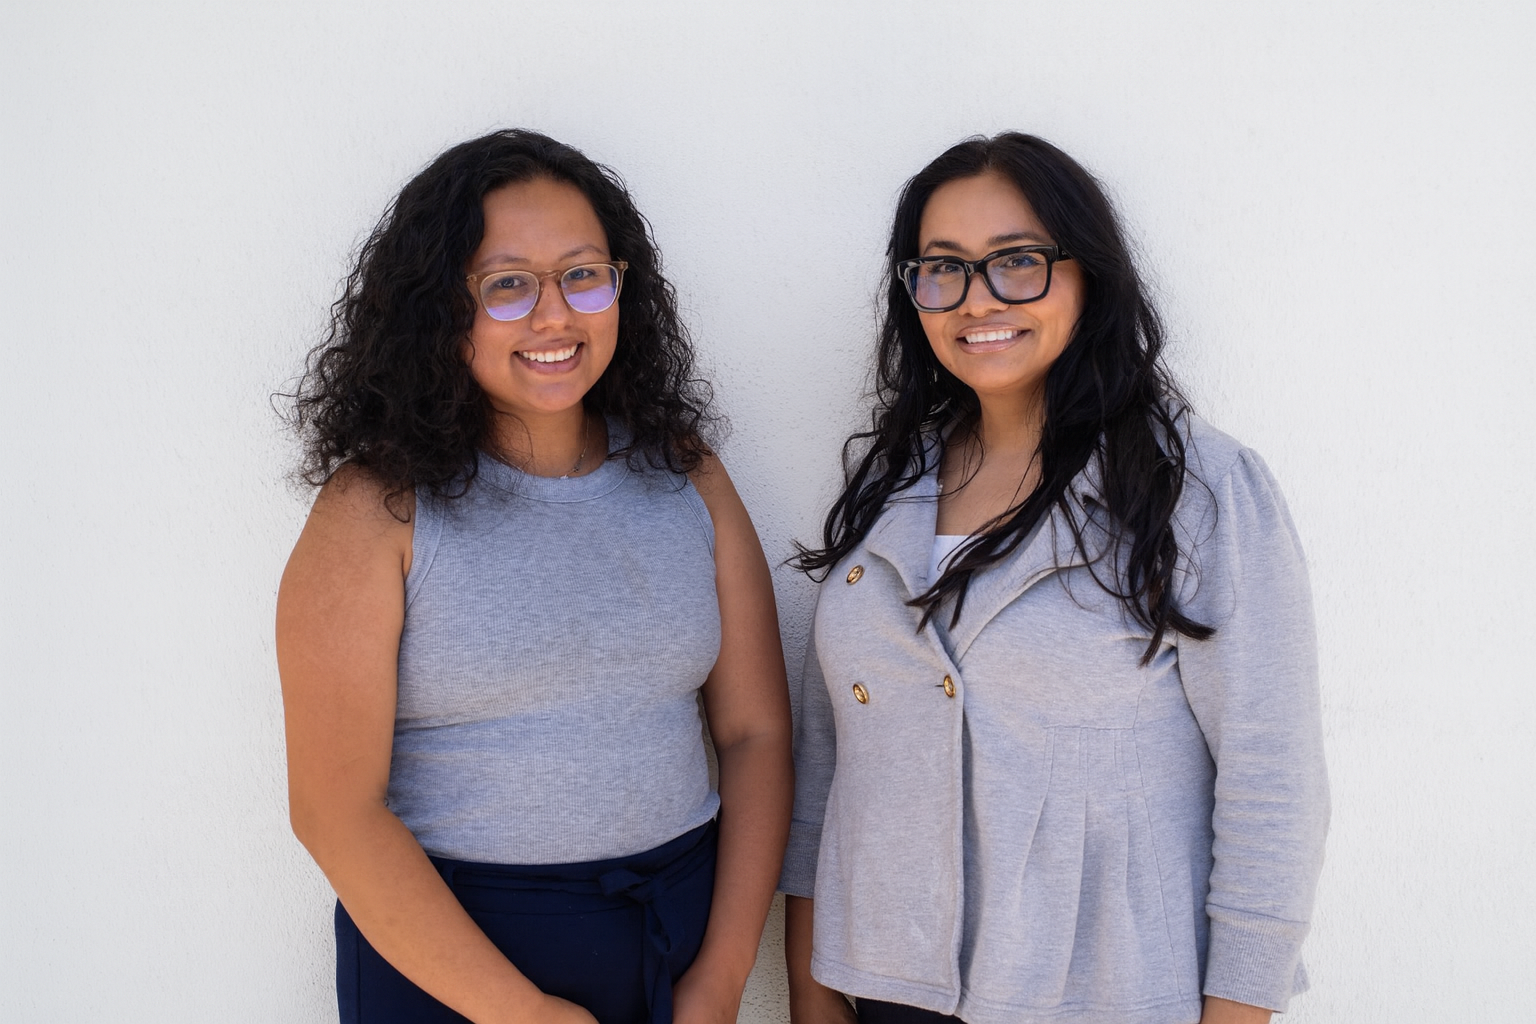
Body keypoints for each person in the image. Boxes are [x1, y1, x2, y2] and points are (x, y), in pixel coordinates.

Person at [781, 133, 1329, 1024]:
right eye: (942, 268)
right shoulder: (889, 489)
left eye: (1018, 262)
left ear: (1090, 275)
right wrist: (813, 991)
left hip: (1104, 996)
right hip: (887, 992)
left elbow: (1273, 784)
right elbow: (831, 759)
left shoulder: (1197, 492)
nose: (977, 298)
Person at [277, 129, 792, 1024]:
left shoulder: (686, 474)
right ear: (439, 309)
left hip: (672, 943)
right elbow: (336, 812)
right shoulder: (376, 509)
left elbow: (754, 733)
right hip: (453, 968)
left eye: (583, 274)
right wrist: (523, 1014)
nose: (556, 316)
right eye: (507, 284)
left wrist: (720, 976)